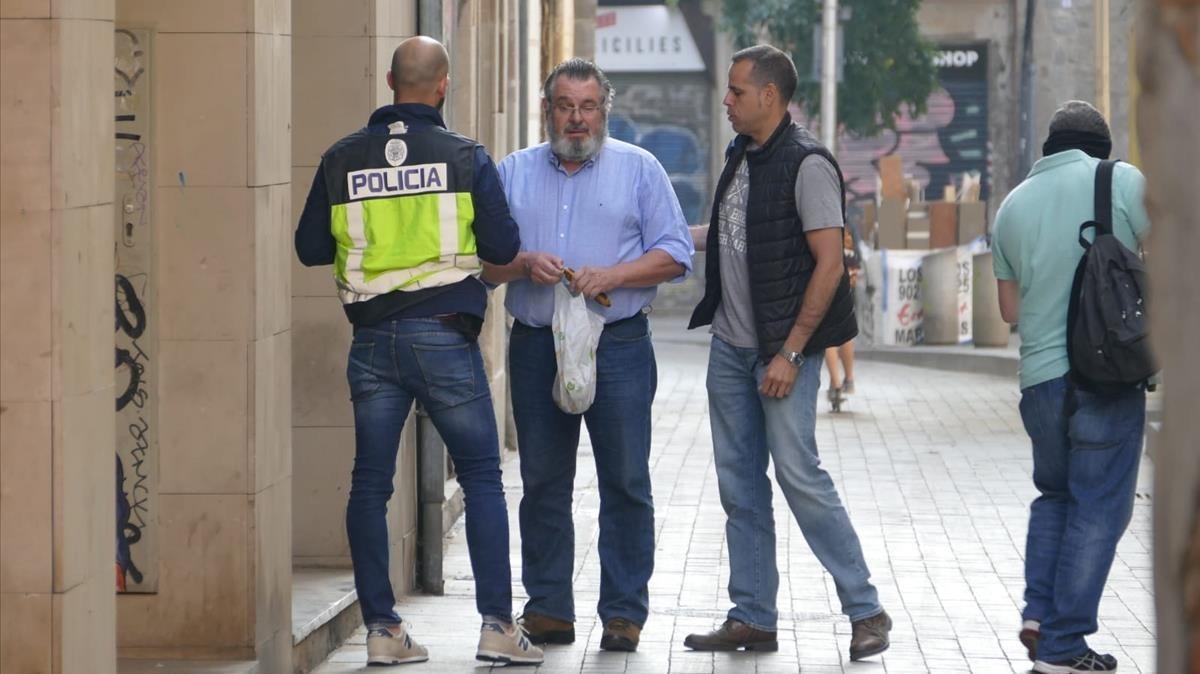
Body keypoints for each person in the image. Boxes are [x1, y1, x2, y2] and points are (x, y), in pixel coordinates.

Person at [294, 36, 542, 667]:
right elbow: (503, 244)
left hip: (372, 342)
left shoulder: (341, 157)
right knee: (484, 480)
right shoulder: (464, 157)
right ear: (444, 85)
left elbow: (310, 249)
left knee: (369, 485)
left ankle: (382, 631)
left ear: (388, 80)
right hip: (444, 336)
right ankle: (496, 628)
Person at [682, 44, 891, 661]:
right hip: (730, 346)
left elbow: (830, 267)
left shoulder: (808, 165)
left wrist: (793, 354)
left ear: (769, 96)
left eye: (736, 91)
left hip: (783, 352)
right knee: (739, 485)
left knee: (799, 475)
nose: (727, 100)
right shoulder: (739, 156)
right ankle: (752, 616)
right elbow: (727, 237)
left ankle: (866, 609)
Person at [481, 58, 694, 653]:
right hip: (535, 345)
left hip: (618, 344)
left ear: (606, 108)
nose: (577, 118)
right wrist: (524, 263)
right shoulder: (512, 173)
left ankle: (623, 613)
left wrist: (616, 273)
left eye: (589, 106)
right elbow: (482, 263)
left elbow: (677, 253)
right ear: (547, 109)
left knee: (625, 481)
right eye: (566, 106)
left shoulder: (641, 169)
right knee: (543, 481)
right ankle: (549, 609)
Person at [993, 100, 1150, 674]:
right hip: (1105, 374)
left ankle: (1038, 616)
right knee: (1100, 509)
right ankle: (1062, 645)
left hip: (1039, 382)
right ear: (1099, 149)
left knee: (1055, 496)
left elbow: (1009, 310)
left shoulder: (1011, 206)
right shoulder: (1122, 181)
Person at [824, 229, 860, 406]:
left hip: (825, 299)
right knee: (845, 337)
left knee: (829, 341)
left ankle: (836, 383)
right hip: (845, 301)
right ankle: (849, 379)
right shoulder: (851, 254)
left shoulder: (825, 248)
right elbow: (854, 281)